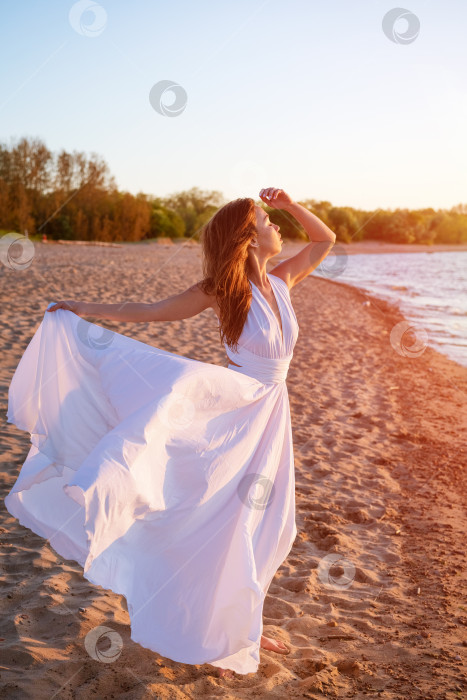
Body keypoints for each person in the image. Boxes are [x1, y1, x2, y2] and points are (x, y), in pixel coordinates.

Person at [5, 187, 336, 680]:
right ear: (248, 239)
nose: (277, 229)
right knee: (226, 521)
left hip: (271, 420)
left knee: (267, 523)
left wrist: (287, 203)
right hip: (234, 418)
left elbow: (324, 238)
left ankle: (243, 623)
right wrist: (81, 306)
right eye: (267, 221)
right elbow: (150, 310)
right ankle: (220, 633)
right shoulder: (226, 291)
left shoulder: (283, 281)